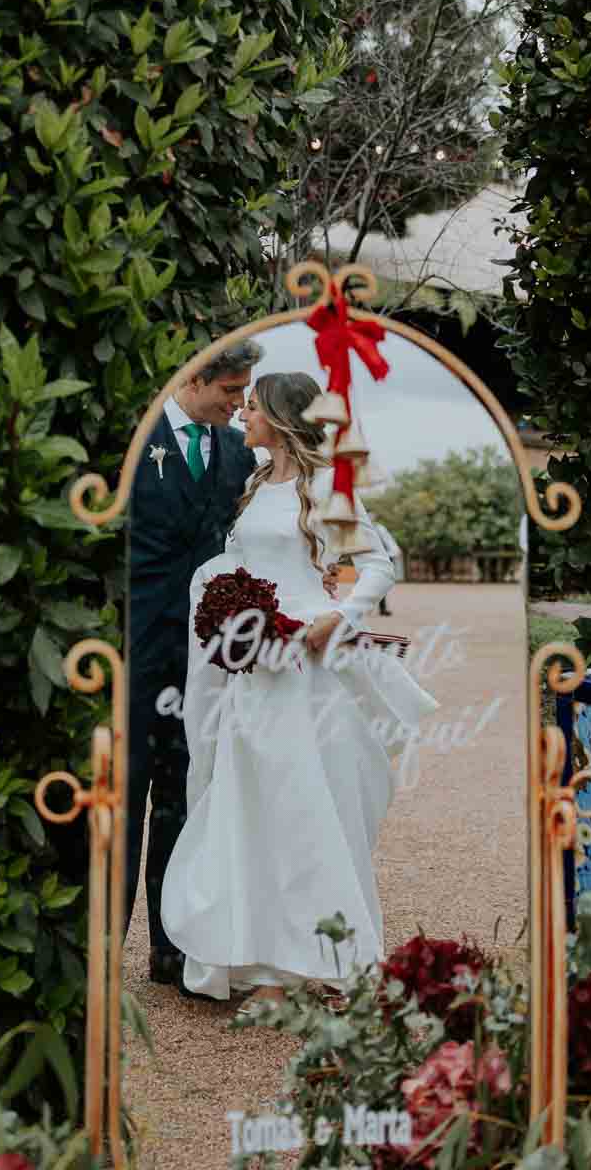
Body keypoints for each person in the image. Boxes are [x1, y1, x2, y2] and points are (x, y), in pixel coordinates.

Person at [160, 371, 438, 1005]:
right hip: (255, 669)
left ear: (281, 417)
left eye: (252, 408)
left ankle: (321, 959)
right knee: (254, 807)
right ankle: (264, 964)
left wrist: (337, 617)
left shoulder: (327, 487)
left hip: (308, 672)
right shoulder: (258, 485)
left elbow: (377, 564)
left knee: (306, 809)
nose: (243, 416)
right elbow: (242, 564)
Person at [126, 339, 261, 988]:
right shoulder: (137, 435)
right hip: (136, 646)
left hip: (204, 660)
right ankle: (98, 950)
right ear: (196, 379)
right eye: (231, 391)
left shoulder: (237, 454)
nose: (239, 406)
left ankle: (171, 951)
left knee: (184, 795)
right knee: (124, 796)